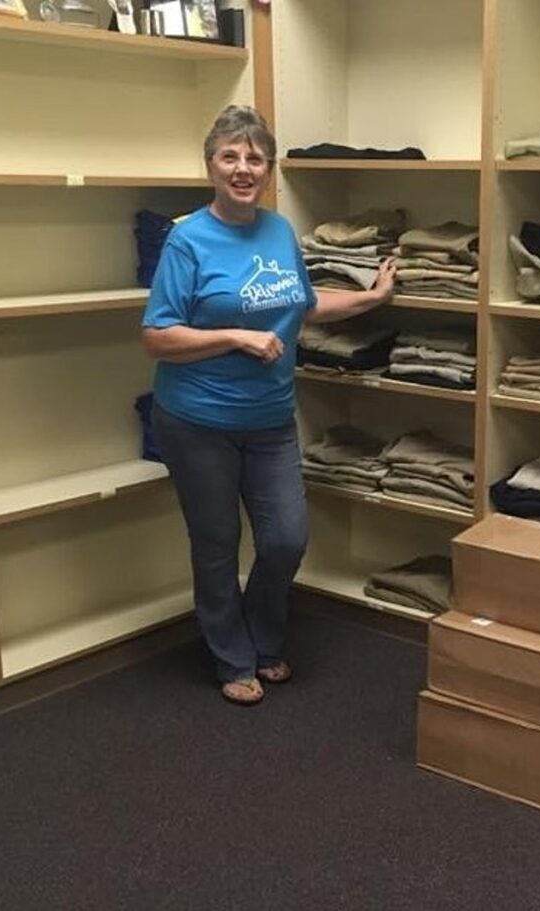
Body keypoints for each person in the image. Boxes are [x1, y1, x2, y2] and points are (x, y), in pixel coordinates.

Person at [141, 105, 396, 705]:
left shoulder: (279, 231)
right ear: (210, 166)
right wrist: (235, 337)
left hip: (270, 420)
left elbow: (302, 303)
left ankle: (262, 635)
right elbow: (157, 336)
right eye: (230, 156)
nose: (243, 168)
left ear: (268, 168)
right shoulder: (187, 239)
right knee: (216, 543)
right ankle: (233, 657)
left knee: (286, 539)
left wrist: (372, 297)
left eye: (255, 158)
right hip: (197, 421)